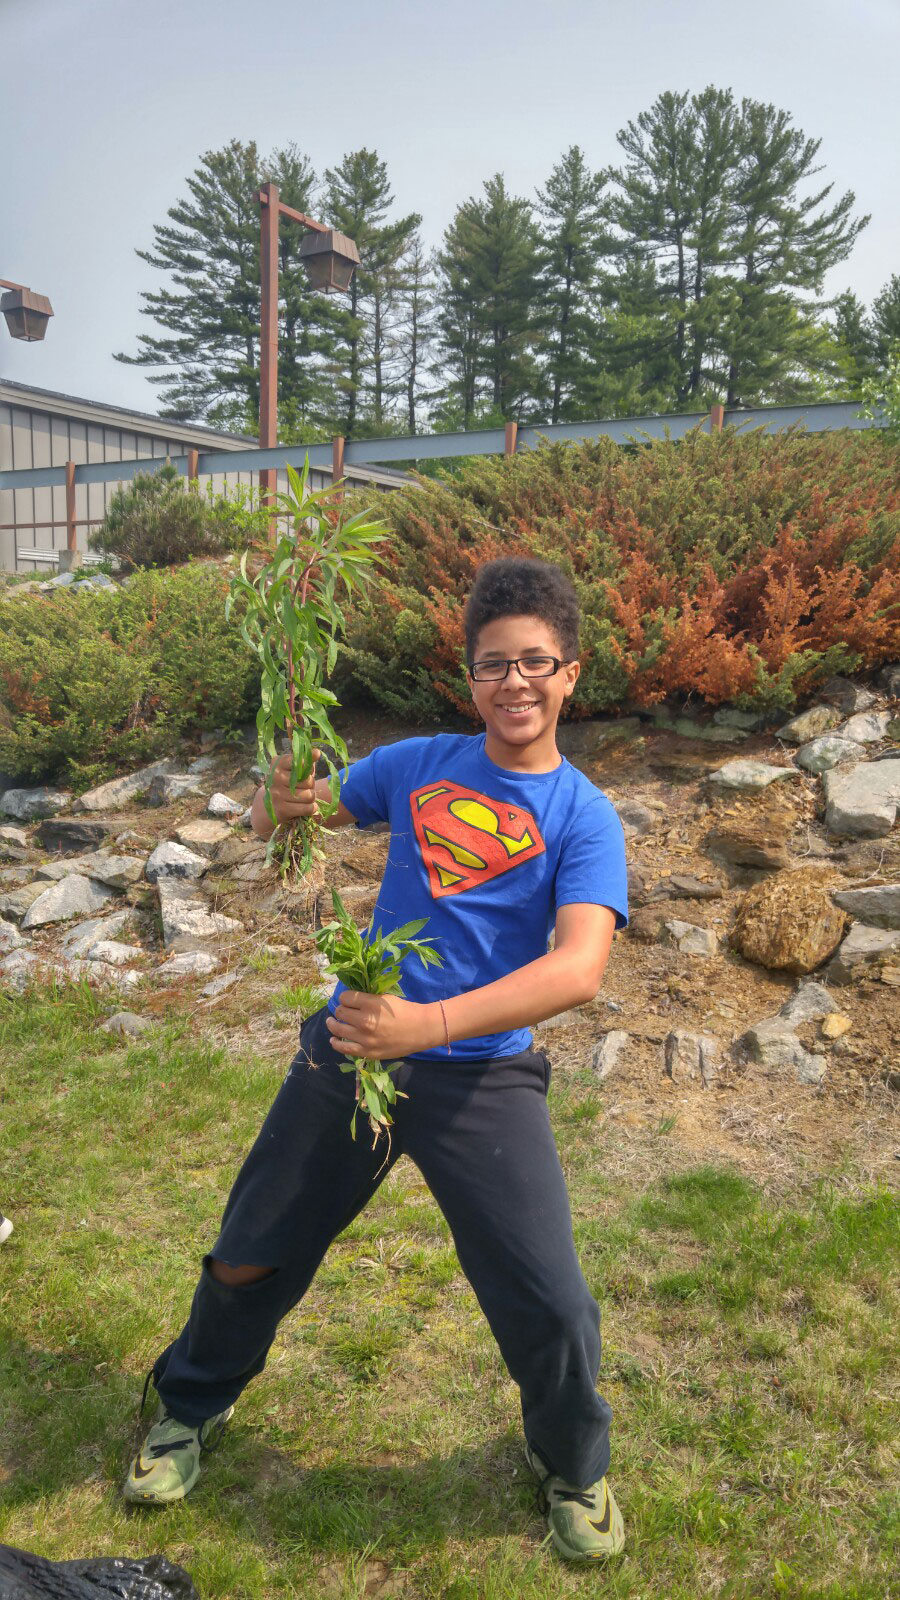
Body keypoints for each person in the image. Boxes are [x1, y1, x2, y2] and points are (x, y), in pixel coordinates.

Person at [124, 556, 629, 1562]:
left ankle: (575, 1464)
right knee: (252, 1242)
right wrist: (274, 799)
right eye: (495, 665)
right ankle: (188, 1403)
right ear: (469, 674)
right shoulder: (417, 763)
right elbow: (289, 821)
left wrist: (429, 1028)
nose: (515, 683)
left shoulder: (584, 815)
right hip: (351, 1050)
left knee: (551, 1298)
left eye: (537, 662)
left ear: (572, 672)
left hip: (482, 1072)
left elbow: (578, 968)